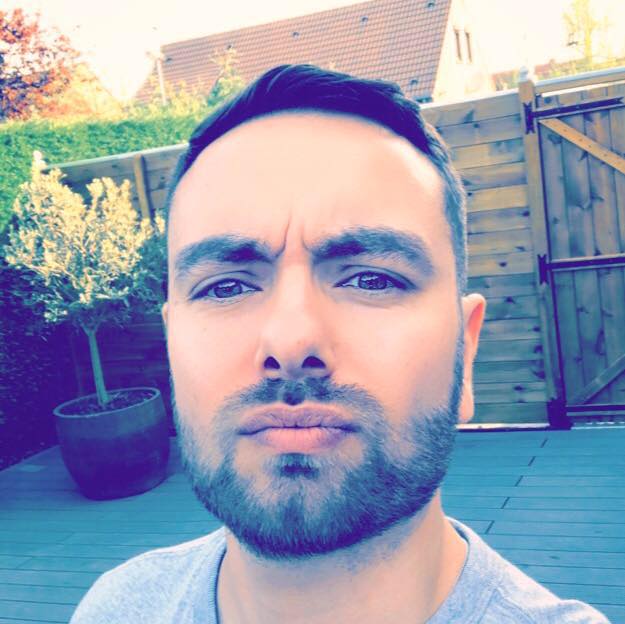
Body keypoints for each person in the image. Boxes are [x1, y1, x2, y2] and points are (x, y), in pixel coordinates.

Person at [70, 64, 610, 624]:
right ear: (172, 347)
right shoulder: (112, 608)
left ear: (465, 351)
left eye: (372, 279)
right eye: (225, 287)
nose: (290, 340)